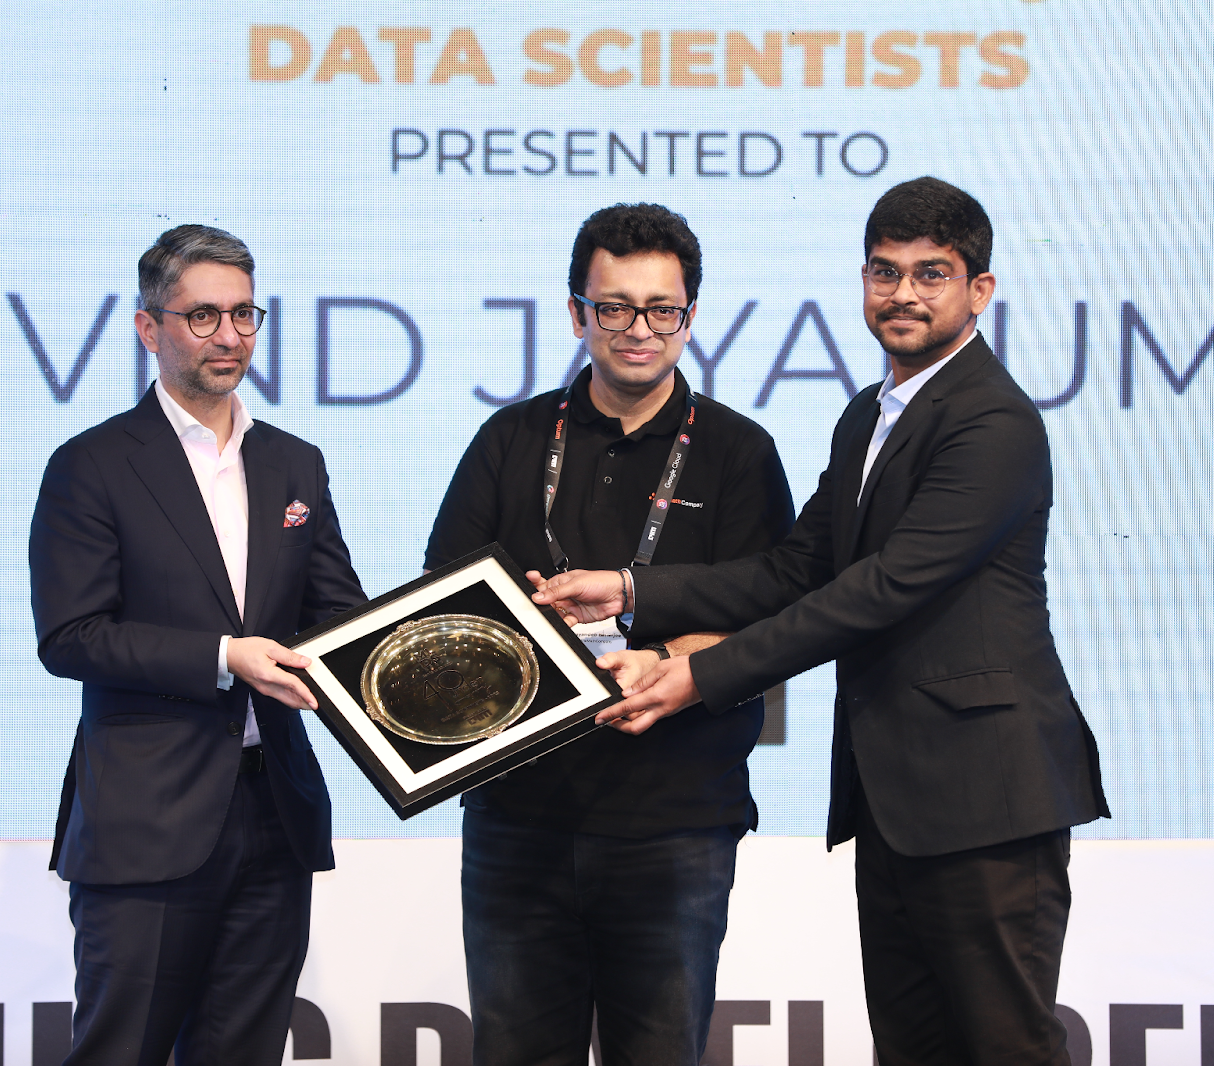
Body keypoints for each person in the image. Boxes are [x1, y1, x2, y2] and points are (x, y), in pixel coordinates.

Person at [534, 178, 1110, 1066]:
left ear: (979, 291)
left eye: (931, 274)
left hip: (987, 799)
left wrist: (700, 676)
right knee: (911, 1050)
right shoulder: (868, 415)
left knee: (1004, 1048)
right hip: (899, 801)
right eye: (885, 271)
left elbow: (878, 591)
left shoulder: (992, 421)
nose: (903, 294)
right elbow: (795, 569)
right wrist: (630, 590)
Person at [425, 202, 794, 1065]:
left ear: (690, 318)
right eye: (615, 308)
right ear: (576, 313)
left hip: (676, 822)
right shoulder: (510, 438)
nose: (639, 331)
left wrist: (664, 655)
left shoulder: (739, 451)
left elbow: (772, 618)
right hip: (519, 817)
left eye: (661, 310)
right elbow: (443, 602)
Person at [29, 224, 367, 1066]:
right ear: (150, 328)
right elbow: (71, 636)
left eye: (244, 314)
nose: (229, 336)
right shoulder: (92, 464)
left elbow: (339, 614)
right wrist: (225, 656)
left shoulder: (294, 463)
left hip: (275, 811)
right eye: (203, 316)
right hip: (146, 821)